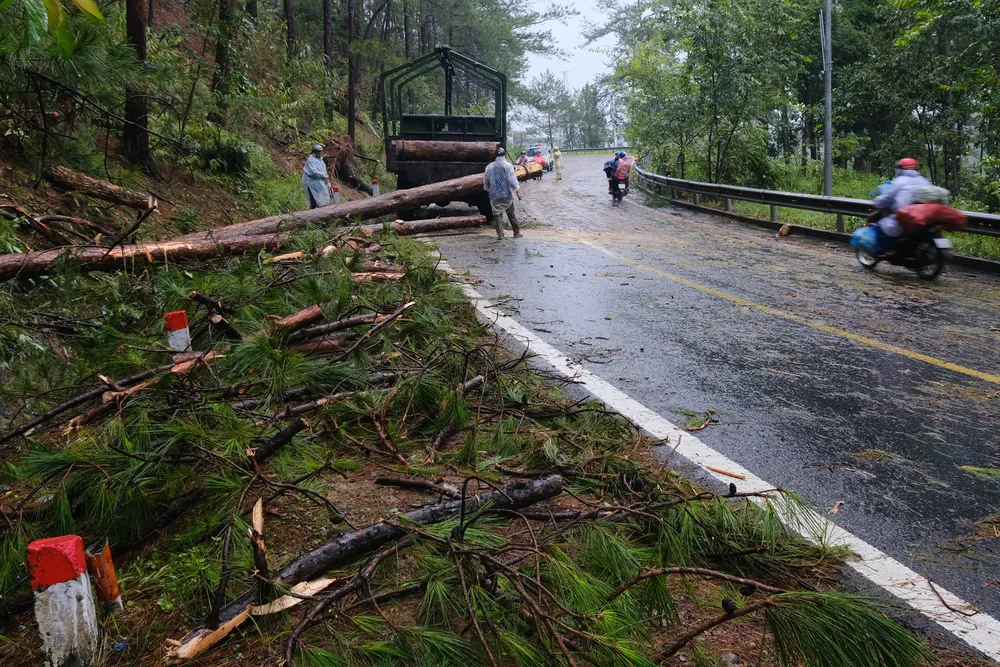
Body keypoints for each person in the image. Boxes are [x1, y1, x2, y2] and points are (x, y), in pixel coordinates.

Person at [872, 158, 931, 249]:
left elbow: (887, 197)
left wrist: (877, 202)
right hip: (923, 216)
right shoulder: (924, 181)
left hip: (903, 216)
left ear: (901, 168)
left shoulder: (900, 181)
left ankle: (891, 249)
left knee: (883, 224)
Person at [483, 147, 523, 239]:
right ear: (504, 155)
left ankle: (500, 234)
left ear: (495, 155)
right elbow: (512, 181)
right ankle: (516, 233)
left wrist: (488, 190)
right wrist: (518, 192)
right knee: (511, 213)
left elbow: (486, 180)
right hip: (507, 194)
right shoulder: (508, 166)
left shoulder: (489, 167)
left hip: (494, 194)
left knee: (497, 215)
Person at [302, 144, 332, 209]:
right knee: (313, 200)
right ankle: (313, 214)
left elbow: (324, 172)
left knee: (321, 199)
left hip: (319, 183)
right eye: (318, 152)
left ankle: (320, 212)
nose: (319, 153)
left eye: (320, 151)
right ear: (314, 152)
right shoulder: (310, 160)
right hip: (310, 183)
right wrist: (323, 176)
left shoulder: (321, 161)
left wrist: (327, 181)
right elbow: (313, 172)